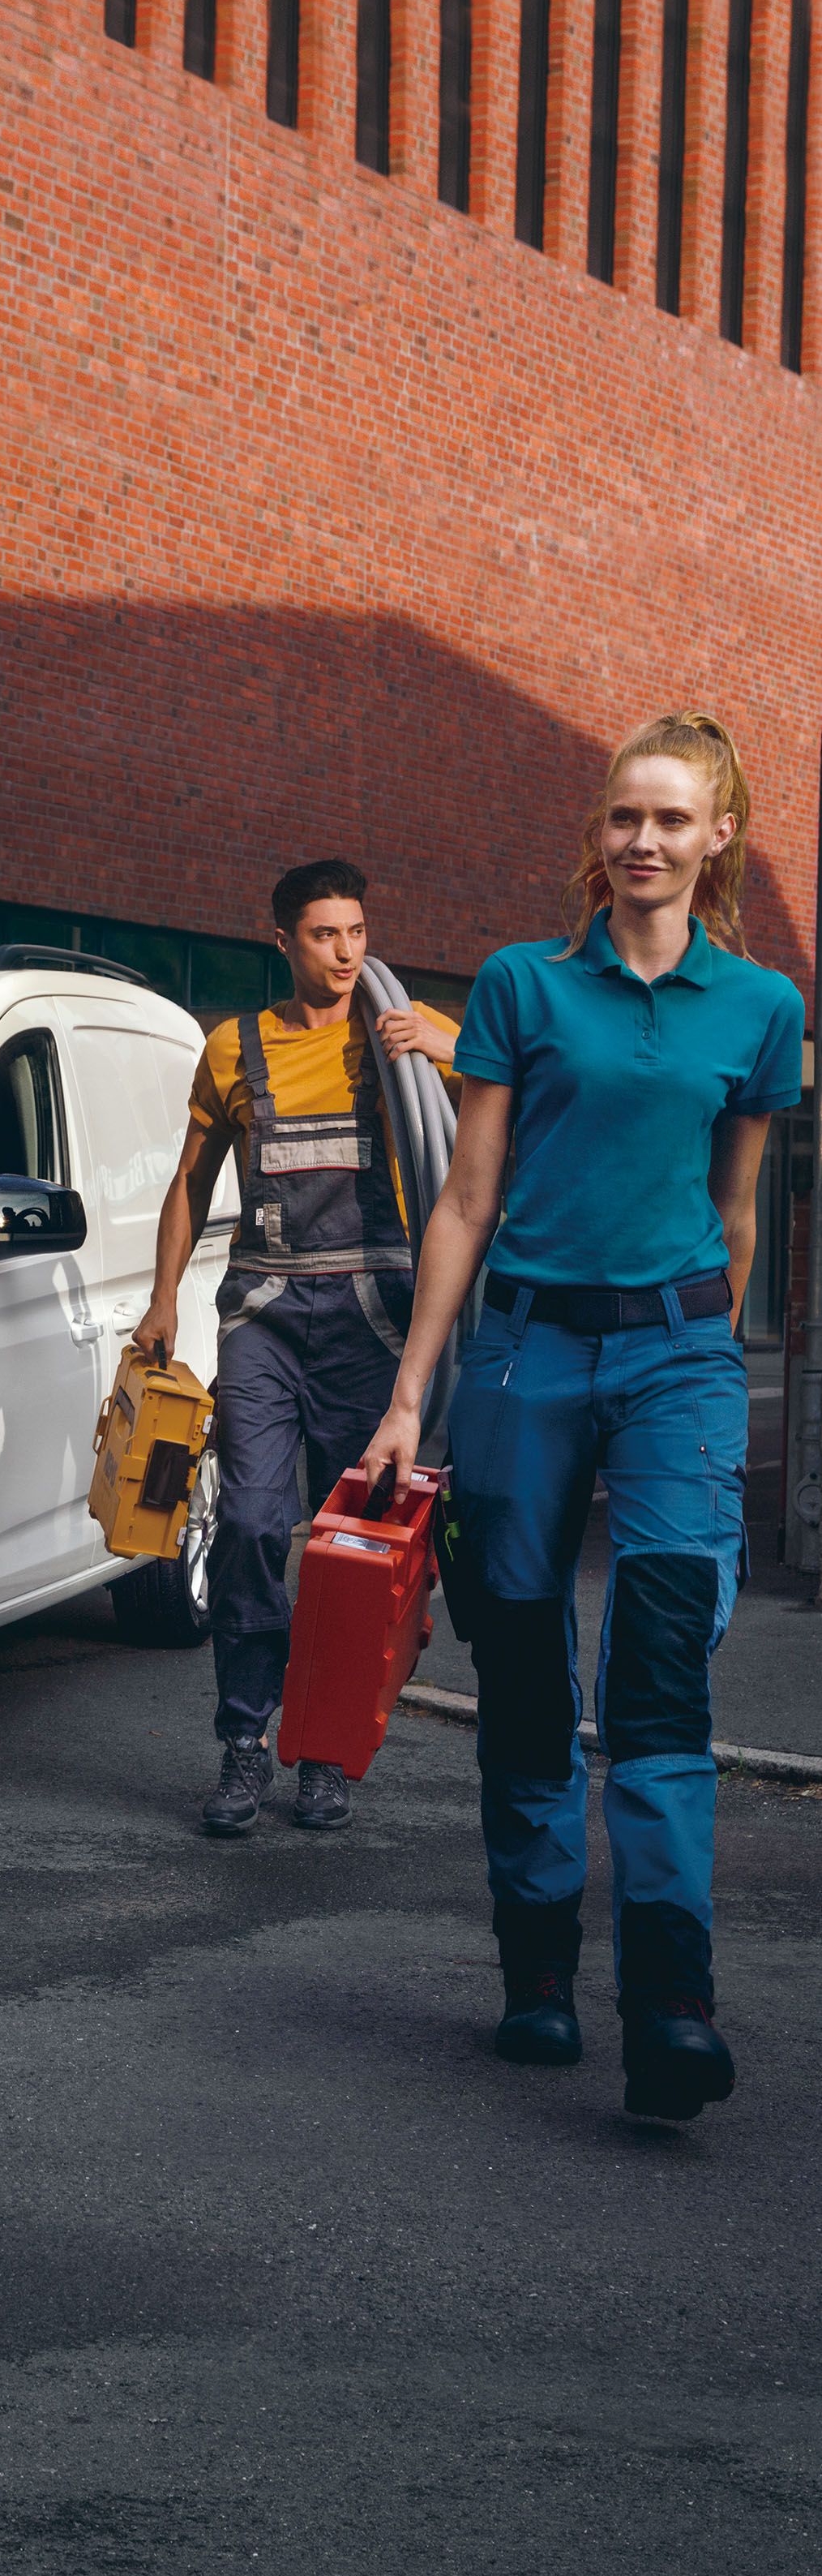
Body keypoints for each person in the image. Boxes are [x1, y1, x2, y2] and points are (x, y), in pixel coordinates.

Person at [361, 713, 804, 2123]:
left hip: (677, 1355)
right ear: (596, 833)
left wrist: (705, 1354)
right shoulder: (519, 987)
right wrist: (409, 1392)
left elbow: (736, 1209)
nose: (645, 841)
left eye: (673, 819)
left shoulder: (762, 1009)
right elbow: (467, 1200)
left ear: (719, 835)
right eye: (624, 816)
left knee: (663, 1666)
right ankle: (538, 1975)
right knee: (528, 1671)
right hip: (524, 1355)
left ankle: (672, 2002)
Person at [135, 860, 459, 1835]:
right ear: (282, 940)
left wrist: (451, 1040)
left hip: (372, 1320)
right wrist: (161, 1302)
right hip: (267, 1318)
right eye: (324, 934)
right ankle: (243, 1741)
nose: (347, 952)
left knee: (348, 1552)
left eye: (357, 931)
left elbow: (527, 1090)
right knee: (246, 1526)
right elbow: (190, 1183)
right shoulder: (233, 1048)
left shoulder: (404, 1039)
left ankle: (322, 1752)